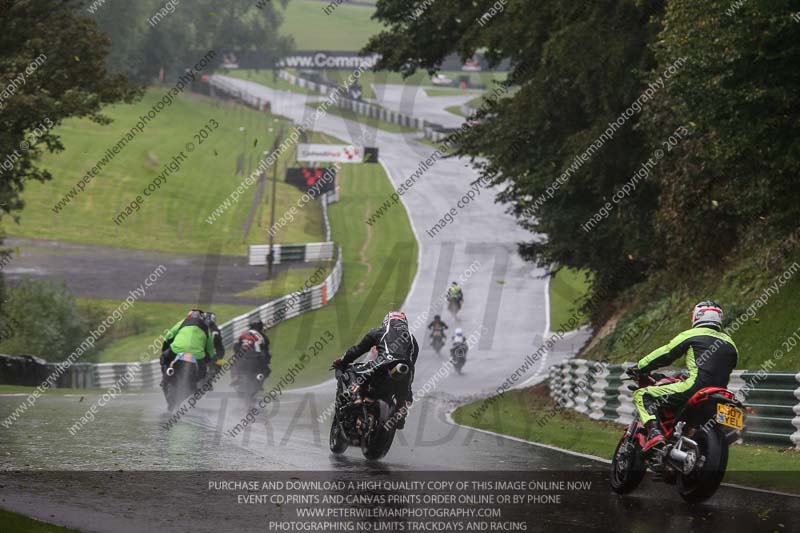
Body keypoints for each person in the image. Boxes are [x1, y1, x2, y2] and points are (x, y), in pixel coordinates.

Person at [631, 301, 738, 451]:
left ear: (697, 316)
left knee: (642, 395)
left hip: (695, 387)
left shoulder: (692, 334)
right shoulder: (730, 342)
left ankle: (655, 433)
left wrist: (640, 366)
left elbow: (666, 353)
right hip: (721, 393)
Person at [332, 311, 419, 429]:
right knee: (405, 395)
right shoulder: (413, 341)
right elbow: (411, 364)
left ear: (386, 321)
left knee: (352, 370)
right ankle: (400, 413)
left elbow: (357, 350)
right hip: (406, 371)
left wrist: (342, 361)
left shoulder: (379, 331)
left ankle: (353, 396)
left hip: (383, 364)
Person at [161, 309, 216, 390]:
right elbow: (210, 351)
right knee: (202, 371)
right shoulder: (206, 329)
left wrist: (165, 350)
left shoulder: (181, 323)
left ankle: (165, 379)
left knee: (163, 358)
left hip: (177, 350)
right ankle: (200, 384)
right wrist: (205, 360)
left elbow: (168, 337)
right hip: (197, 355)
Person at [231, 319, 271, 386]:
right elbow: (266, 351)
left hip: (242, 359)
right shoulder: (263, 336)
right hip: (256, 359)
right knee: (267, 370)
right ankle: (259, 381)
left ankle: (236, 376)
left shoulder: (243, 334)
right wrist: (266, 360)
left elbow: (236, 346)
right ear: (260, 327)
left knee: (233, 364)